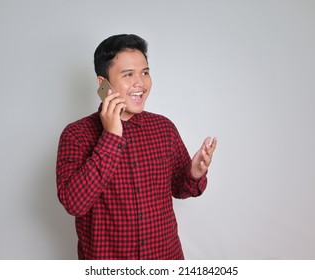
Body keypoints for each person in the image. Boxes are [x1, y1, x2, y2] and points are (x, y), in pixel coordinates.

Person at [56, 34, 217, 260]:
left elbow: (179, 189)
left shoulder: (164, 128)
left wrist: (194, 173)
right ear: (103, 84)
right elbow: (74, 203)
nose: (140, 83)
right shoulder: (76, 135)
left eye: (145, 73)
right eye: (128, 74)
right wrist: (111, 137)